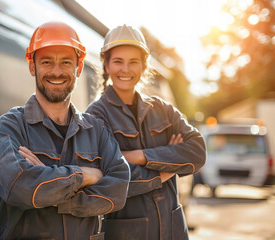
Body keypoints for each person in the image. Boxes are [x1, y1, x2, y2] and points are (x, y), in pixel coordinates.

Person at [0, 22, 130, 240]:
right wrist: (84, 175)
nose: (56, 71)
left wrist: (50, 188)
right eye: (46, 62)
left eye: (65, 62)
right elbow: (20, 186)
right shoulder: (7, 128)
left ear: (78, 68)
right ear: (32, 66)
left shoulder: (97, 130)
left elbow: (118, 191)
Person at [86, 24, 206, 240]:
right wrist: (166, 170)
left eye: (133, 62)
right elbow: (110, 179)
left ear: (143, 66)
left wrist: (140, 156)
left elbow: (197, 151)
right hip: (127, 233)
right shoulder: (95, 116)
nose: (126, 69)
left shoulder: (163, 109)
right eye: (118, 61)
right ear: (106, 64)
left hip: (173, 230)